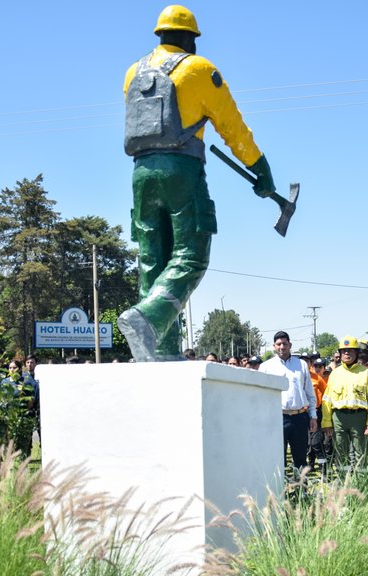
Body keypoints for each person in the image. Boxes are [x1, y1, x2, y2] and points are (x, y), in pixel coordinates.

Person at [118, 5, 276, 361]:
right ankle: (149, 317)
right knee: (191, 255)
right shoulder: (199, 69)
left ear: (159, 35)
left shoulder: (132, 73)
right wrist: (260, 168)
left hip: (141, 174)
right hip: (182, 171)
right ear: (191, 38)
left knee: (153, 259)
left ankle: (162, 349)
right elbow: (231, 125)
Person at [260, 331, 317, 474]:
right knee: (277, 459)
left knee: (300, 459)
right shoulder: (266, 367)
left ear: (290, 345)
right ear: (274, 346)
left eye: (284, 344)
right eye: (278, 344)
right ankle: (278, 493)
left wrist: (313, 416)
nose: (282, 347)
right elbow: (261, 396)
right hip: (277, 418)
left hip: (299, 417)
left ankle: (301, 493)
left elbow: (310, 393)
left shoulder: (301, 365)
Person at [321, 336, 368, 473]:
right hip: (339, 418)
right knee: (341, 453)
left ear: (357, 353)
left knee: (361, 454)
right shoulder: (335, 374)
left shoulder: (365, 373)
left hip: (359, 418)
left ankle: (362, 486)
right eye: (344, 351)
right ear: (340, 354)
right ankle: (343, 485)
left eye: (350, 351)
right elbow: (327, 400)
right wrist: (326, 422)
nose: (347, 353)